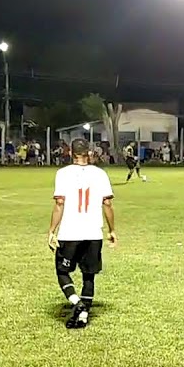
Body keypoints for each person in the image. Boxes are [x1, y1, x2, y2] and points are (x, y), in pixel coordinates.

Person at [48, 138, 116, 329]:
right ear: (90, 153)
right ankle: (84, 315)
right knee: (89, 275)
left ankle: (77, 304)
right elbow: (108, 204)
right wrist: (112, 230)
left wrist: (52, 231)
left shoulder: (63, 174)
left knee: (62, 271)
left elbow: (59, 203)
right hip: (93, 232)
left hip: (70, 233)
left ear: (70, 153)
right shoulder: (100, 174)